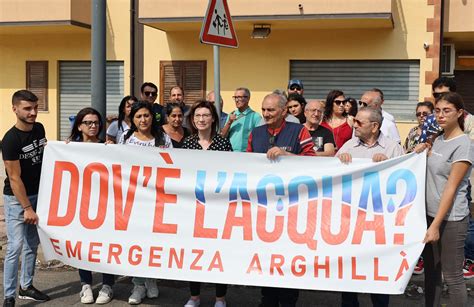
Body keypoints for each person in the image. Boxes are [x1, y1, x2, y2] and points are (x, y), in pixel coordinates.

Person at [247, 93, 315, 307]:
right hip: (263, 209)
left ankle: (288, 300)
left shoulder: (299, 130)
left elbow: (312, 162)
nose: (266, 114)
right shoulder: (255, 133)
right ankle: (267, 299)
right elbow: (246, 164)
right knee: (266, 258)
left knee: (287, 258)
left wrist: (288, 158)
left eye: (271, 110)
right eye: (263, 109)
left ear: (284, 111)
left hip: (292, 208)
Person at [337, 107, 404, 307]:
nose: (354, 125)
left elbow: (403, 184)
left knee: (378, 273)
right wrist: (339, 162)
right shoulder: (348, 146)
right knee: (349, 274)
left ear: (374, 126)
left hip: (378, 223)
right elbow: (330, 177)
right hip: (350, 222)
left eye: (359, 122)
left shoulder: (392, 149)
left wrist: (389, 166)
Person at [414, 92, 473, 307]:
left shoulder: (463, 144)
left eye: (446, 111)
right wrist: (421, 150)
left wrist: (436, 225)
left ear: (459, 113)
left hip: (451, 220)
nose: (440, 115)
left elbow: (451, 188)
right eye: (437, 110)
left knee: (452, 276)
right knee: (431, 273)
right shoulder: (437, 139)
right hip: (430, 216)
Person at [119, 102, 172, 304]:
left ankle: (151, 279)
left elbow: (171, 164)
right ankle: (138, 284)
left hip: (157, 199)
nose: (143, 120)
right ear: (132, 119)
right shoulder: (126, 138)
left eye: (147, 116)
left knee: (153, 242)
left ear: (153, 118)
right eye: (139, 116)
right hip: (133, 199)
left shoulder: (163, 138)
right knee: (136, 242)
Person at [181, 100, 232, 307]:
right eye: (197, 116)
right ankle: (194, 297)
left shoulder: (223, 144)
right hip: (192, 207)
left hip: (217, 206)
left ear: (213, 119)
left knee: (219, 252)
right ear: (193, 120)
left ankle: (220, 298)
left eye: (205, 115)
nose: (201, 119)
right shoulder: (187, 144)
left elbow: (230, 174)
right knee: (194, 252)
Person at [2, 90, 50, 307]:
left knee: (32, 243)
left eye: (35, 108)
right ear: (15, 109)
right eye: (27, 108)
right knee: (15, 247)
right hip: (17, 199)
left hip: (39, 194)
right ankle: (9, 296)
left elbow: (45, 154)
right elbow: (14, 178)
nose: (33, 112)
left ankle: (27, 286)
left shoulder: (39, 128)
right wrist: (27, 208)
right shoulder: (10, 140)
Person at [68, 107, 115, 304]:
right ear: (79, 126)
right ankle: (85, 284)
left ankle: (107, 285)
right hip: (81, 204)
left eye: (96, 122)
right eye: (88, 122)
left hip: (105, 203)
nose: (93, 126)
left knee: (106, 245)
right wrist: (63, 149)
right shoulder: (70, 148)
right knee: (83, 245)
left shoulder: (108, 147)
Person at [221, 87, 262, 152]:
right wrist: (229, 122)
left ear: (247, 98)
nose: (237, 100)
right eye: (235, 97)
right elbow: (222, 137)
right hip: (230, 154)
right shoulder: (231, 115)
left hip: (246, 155)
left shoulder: (255, 117)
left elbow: (259, 138)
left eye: (239, 97)